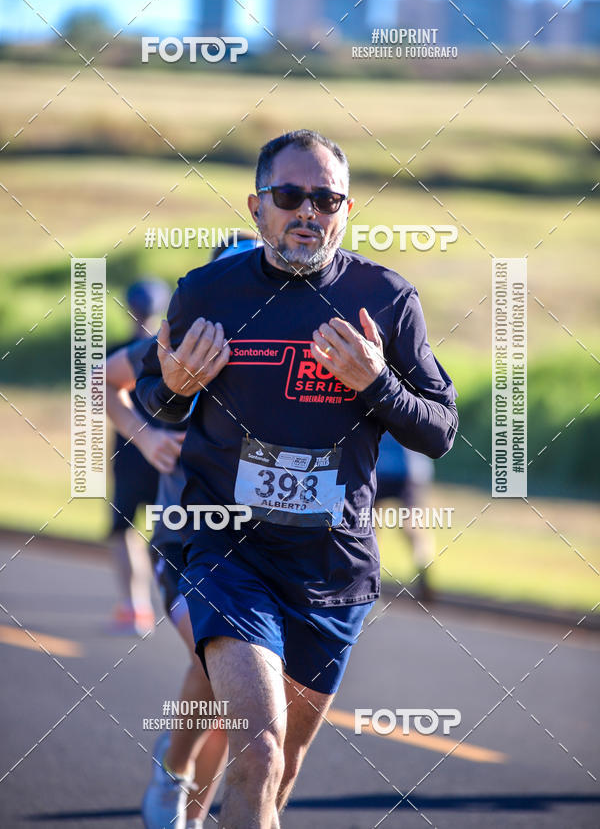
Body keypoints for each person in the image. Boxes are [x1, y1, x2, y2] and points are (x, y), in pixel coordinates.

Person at [136, 129, 458, 828]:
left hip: (332, 565)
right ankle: (179, 775)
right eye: (290, 196)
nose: (308, 211)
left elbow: (438, 429)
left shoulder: (386, 299)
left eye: (327, 198)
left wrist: (377, 385)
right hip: (228, 550)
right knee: (258, 745)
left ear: (345, 209)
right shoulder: (208, 291)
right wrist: (175, 389)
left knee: (281, 769)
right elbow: (155, 403)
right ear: (257, 207)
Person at [106, 238, 261, 828]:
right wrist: (145, 438)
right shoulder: (179, 341)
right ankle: (171, 771)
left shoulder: (292, 347)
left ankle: (188, 814)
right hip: (188, 539)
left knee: (240, 703)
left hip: (268, 548)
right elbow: (106, 379)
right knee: (224, 653)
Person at [108, 278, 170, 635]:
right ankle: (170, 603)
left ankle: (135, 606)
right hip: (166, 456)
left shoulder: (118, 353)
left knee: (123, 531)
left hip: (132, 454)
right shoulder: (169, 349)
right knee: (166, 530)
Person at [375, 432, 435, 601]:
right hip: (381, 466)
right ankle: (364, 579)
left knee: (412, 526)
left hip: (406, 469)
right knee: (368, 526)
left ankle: (424, 572)